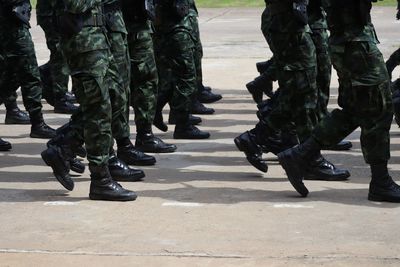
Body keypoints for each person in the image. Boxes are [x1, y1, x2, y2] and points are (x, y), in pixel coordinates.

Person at [278, 0, 400, 203]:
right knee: (379, 110)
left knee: (354, 108)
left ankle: (301, 154)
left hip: (348, 43)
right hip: (356, 45)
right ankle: (380, 182)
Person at [235, 0, 349, 181]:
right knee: (304, 92)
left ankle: (258, 138)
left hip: (295, 24)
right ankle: (308, 159)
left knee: (303, 92)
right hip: (290, 25)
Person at [41, 0, 137, 201]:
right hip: (83, 40)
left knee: (115, 96)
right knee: (98, 107)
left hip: (99, 37)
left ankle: (65, 146)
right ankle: (100, 179)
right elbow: (76, 4)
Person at [121, 0, 177, 153]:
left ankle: (145, 135)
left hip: (139, 20)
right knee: (116, 89)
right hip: (120, 21)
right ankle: (68, 142)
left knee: (147, 80)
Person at [153, 0, 210, 139]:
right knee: (186, 77)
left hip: (174, 24)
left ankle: (156, 109)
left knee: (174, 78)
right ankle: (182, 125)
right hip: (175, 26)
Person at [0, 0, 56, 139]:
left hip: (10, 22)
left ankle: (36, 123)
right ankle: (38, 124)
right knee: (29, 74)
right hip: (11, 24)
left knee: (8, 76)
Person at [36, 0, 77, 114]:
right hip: (53, 15)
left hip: (59, 14)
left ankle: (43, 75)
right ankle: (60, 99)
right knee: (60, 55)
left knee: (62, 54)